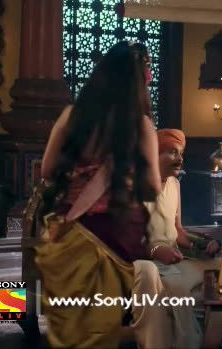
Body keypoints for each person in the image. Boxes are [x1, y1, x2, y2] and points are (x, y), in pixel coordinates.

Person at [36, 41, 167, 348]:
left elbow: (47, 170)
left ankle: (20, 325)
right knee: (100, 327)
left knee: (71, 327)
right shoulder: (141, 125)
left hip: (70, 230)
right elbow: (153, 187)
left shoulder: (71, 116)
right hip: (118, 232)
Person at [144, 128, 221, 348]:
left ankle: (214, 330)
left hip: (175, 258)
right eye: (172, 152)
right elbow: (125, 242)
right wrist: (156, 251)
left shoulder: (175, 185)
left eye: (181, 153)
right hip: (149, 262)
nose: (179, 159)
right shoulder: (136, 187)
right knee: (177, 285)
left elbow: (178, 231)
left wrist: (204, 244)